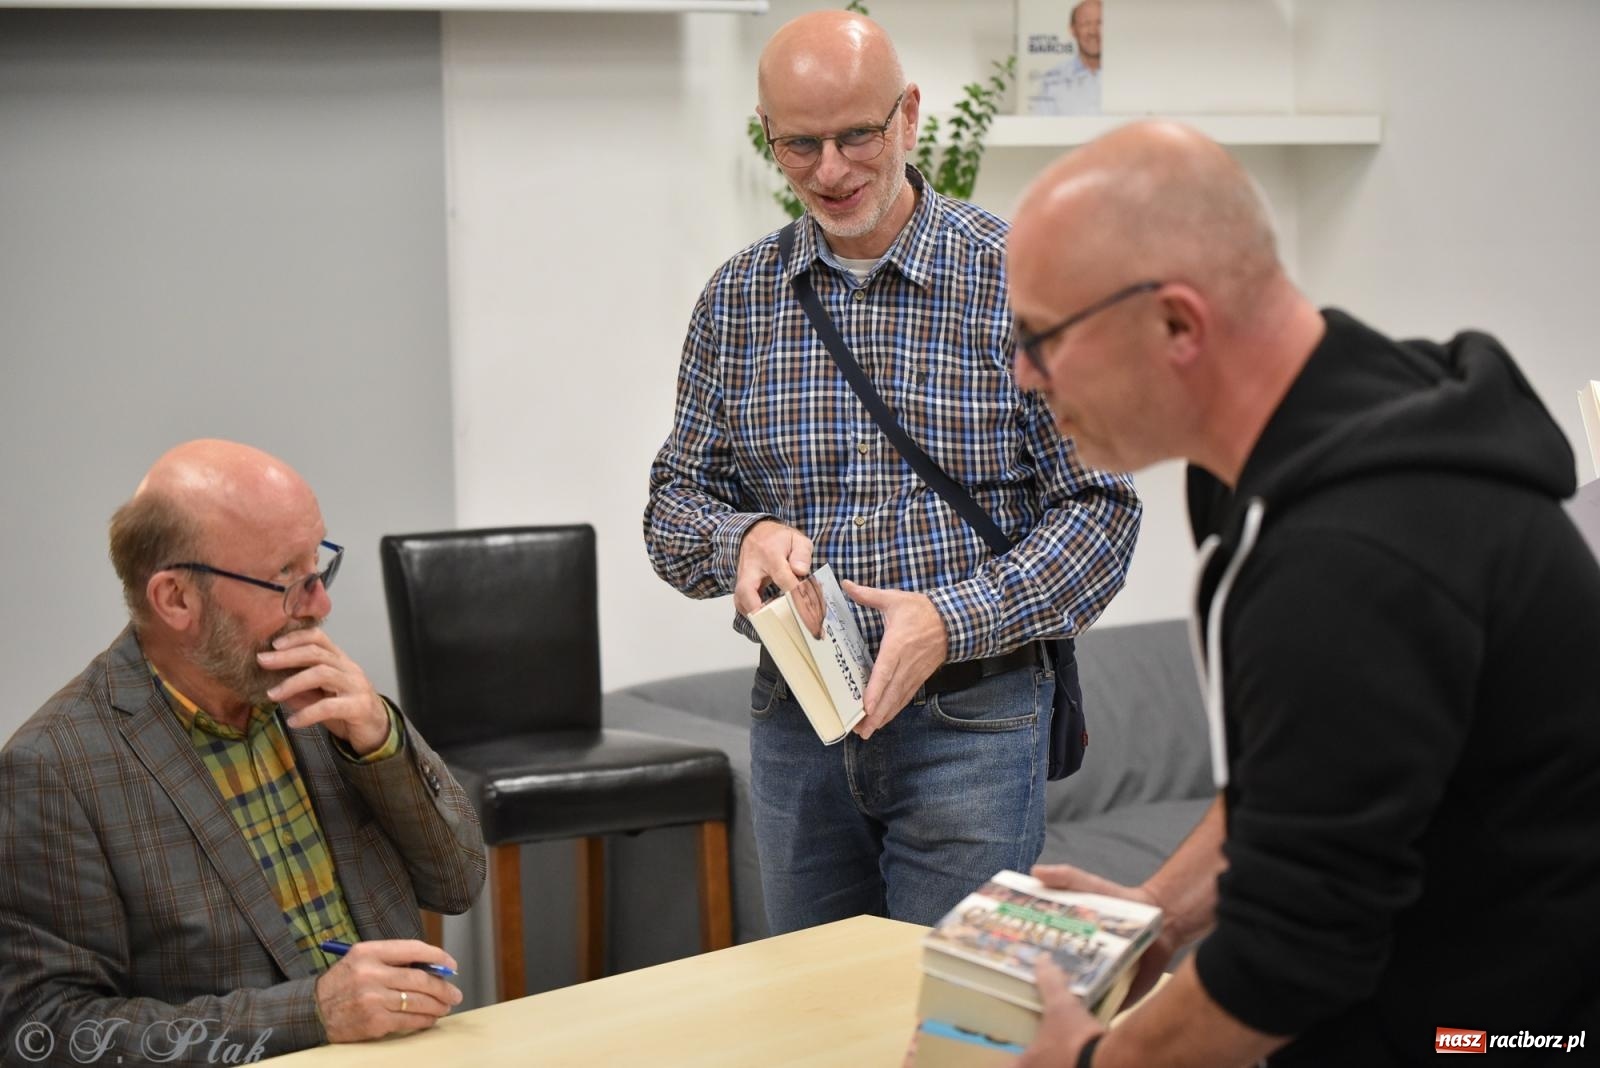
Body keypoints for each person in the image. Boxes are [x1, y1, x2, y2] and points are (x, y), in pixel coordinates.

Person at [1000, 121, 1600, 1066]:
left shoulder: (1349, 559)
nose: (1025, 377)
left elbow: (1289, 958)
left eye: (1041, 337)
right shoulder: (1310, 432)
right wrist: (1158, 915)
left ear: (1178, 324)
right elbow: (1309, 782)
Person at [644, 10, 1141, 936]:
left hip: (976, 723)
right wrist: (740, 536)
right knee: (816, 1016)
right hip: (797, 720)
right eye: (799, 145)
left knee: (948, 1024)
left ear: (909, 115)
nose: (829, 172)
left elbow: (1102, 514)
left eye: (856, 135)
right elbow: (673, 505)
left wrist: (950, 621)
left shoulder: (1016, 278)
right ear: (767, 138)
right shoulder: (737, 301)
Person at [0, 440, 488, 1066]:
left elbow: (458, 881)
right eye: (286, 578)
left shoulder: (320, 698)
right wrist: (312, 1013)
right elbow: (43, 1031)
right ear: (176, 599)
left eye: (319, 565)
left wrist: (380, 743)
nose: (321, 604)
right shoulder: (54, 769)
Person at [1030, 0, 1102, 116]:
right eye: (1086, 24)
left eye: (1100, 23)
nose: (1093, 31)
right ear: (1072, 30)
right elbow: (1040, 130)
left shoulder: (1129, 77)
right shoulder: (1051, 81)